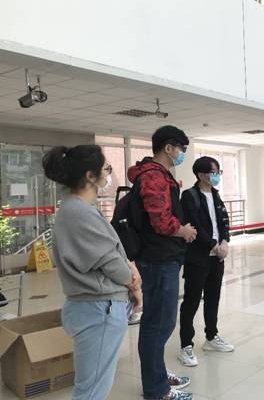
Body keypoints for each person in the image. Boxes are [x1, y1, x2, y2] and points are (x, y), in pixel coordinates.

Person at [43, 144, 142, 400]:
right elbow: (108, 261)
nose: (108, 174)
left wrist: (128, 267)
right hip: (98, 310)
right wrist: (133, 281)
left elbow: (107, 253)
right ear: (90, 175)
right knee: (91, 392)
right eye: (106, 169)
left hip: (94, 308)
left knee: (91, 387)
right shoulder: (78, 212)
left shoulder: (78, 209)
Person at [128, 126, 197, 400]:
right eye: (181, 149)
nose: (182, 154)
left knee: (160, 322)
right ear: (168, 148)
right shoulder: (153, 176)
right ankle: (156, 389)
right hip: (157, 259)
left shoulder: (158, 175)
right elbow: (160, 221)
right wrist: (183, 231)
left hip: (162, 256)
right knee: (158, 324)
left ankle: (157, 374)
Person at [178, 156, 233, 367]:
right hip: (198, 257)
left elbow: (224, 221)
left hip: (217, 257)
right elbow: (194, 225)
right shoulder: (189, 196)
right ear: (201, 175)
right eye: (214, 172)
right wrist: (213, 245)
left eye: (219, 172)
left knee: (213, 297)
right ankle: (186, 345)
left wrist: (225, 241)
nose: (217, 176)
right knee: (191, 301)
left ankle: (211, 337)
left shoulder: (216, 194)